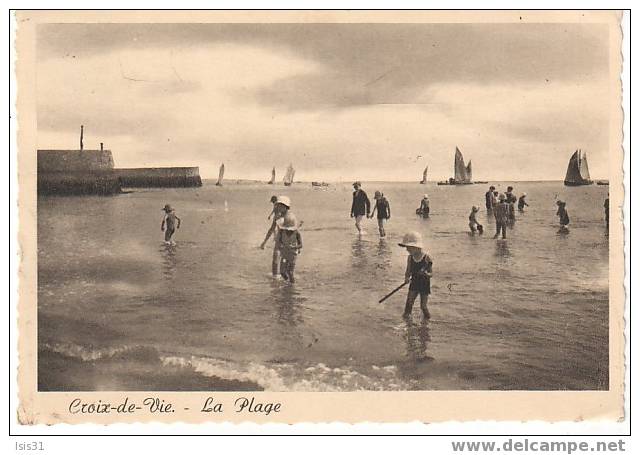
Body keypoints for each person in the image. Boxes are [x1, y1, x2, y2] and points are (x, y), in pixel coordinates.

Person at [398, 231, 433, 320]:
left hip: (424, 284)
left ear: (416, 247)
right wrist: (406, 278)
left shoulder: (427, 257)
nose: (407, 250)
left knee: (423, 306)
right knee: (409, 302)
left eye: (409, 248)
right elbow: (408, 271)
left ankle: (427, 321)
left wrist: (426, 274)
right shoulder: (410, 258)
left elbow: (431, 274)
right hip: (414, 282)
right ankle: (406, 320)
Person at [260, 196, 291, 277]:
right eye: (278, 205)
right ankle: (275, 278)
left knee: (284, 263)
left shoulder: (289, 217)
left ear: (286, 207)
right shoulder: (277, 217)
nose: (278, 207)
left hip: (287, 242)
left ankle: (285, 278)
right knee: (275, 260)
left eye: (281, 205)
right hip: (279, 240)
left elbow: (293, 231)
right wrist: (264, 242)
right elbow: (271, 229)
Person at [276, 212, 302, 283]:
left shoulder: (296, 233)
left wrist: (295, 247)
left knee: (290, 272)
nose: (288, 230)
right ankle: (288, 283)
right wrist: (280, 246)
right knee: (282, 272)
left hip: (293, 254)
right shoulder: (282, 232)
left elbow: (301, 245)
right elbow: (279, 241)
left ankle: (292, 286)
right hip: (284, 253)